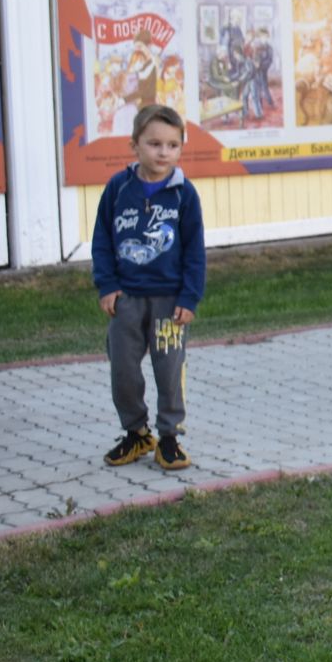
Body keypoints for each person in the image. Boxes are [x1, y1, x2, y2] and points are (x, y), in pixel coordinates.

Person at [92, 104, 206, 472]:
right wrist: (107, 286)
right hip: (127, 299)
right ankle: (137, 433)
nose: (163, 152)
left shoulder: (183, 194)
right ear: (135, 145)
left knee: (169, 371)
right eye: (154, 143)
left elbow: (194, 251)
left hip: (170, 302)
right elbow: (102, 241)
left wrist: (189, 297)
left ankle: (169, 437)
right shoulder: (118, 188)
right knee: (123, 369)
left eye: (173, 145)